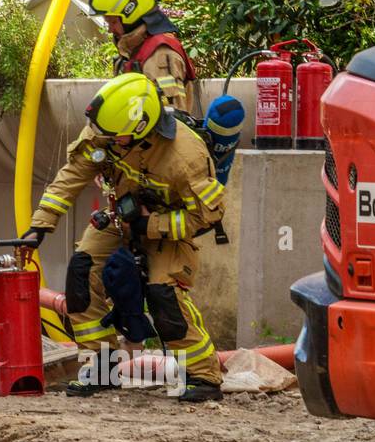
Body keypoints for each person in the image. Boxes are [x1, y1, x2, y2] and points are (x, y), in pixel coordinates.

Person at [22, 72, 225, 403]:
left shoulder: (186, 156)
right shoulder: (109, 128)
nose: (104, 141)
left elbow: (207, 215)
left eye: (114, 137)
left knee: (164, 296)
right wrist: (40, 226)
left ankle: (203, 376)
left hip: (169, 231)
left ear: (141, 127)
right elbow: (72, 175)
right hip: (122, 218)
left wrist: (152, 226)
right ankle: (102, 368)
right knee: (82, 270)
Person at [88, 0, 197, 112]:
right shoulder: (132, 50)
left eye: (113, 22)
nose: (110, 30)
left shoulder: (161, 56)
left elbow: (171, 119)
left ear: (130, 13)